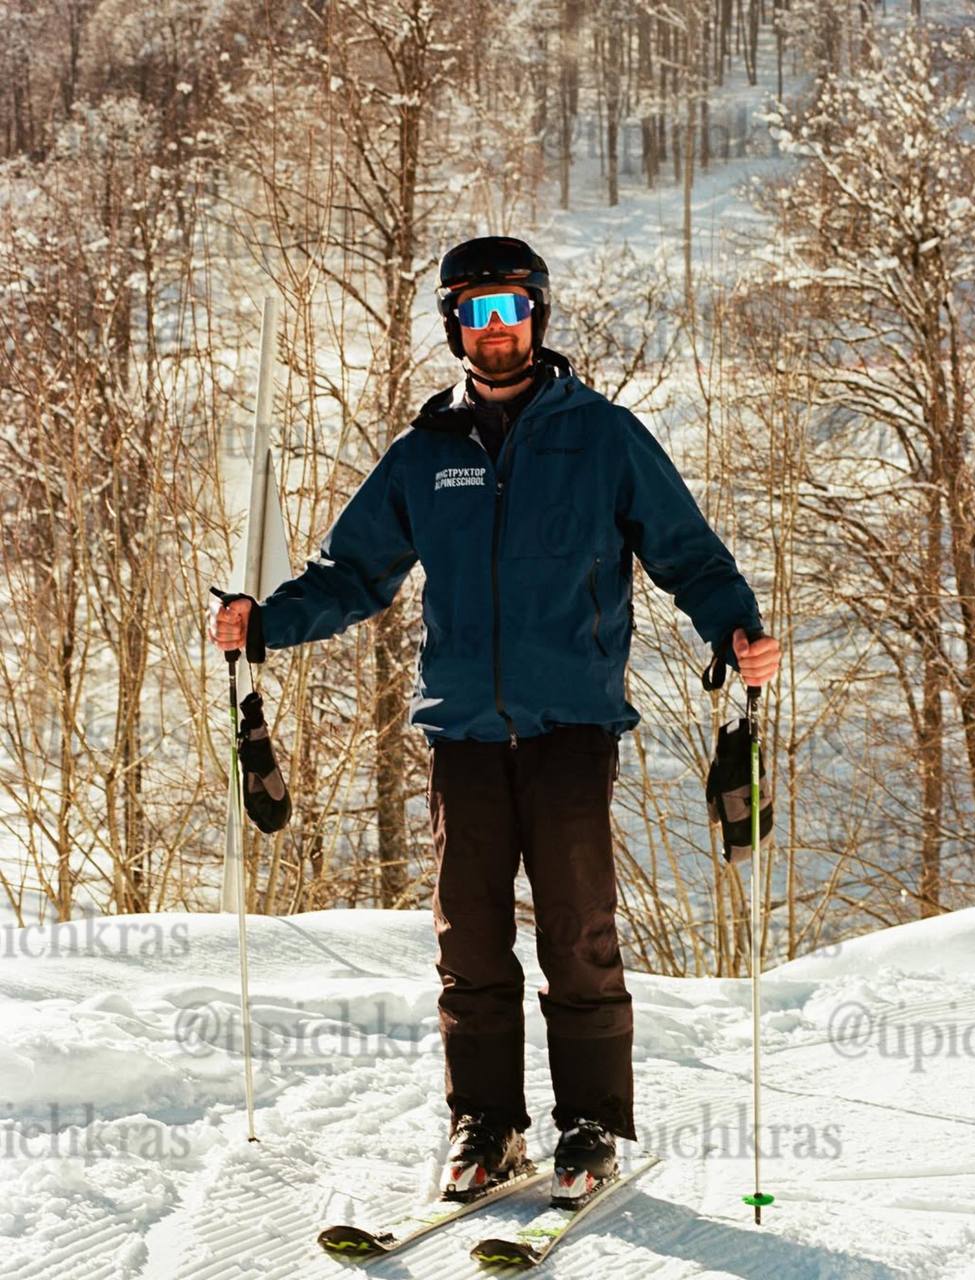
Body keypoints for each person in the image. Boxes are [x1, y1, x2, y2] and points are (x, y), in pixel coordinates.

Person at [209, 235, 781, 1204]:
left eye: (510, 308)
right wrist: (264, 621)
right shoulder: (425, 455)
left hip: (569, 727)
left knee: (577, 930)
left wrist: (737, 627)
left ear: (537, 314)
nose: (496, 328)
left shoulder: (600, 437)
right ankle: (486, 1124)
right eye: (476, 313)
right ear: (454, 328)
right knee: (467, 939)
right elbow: (354, 573)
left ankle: (589, 1123)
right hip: (463, 732)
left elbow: (684, 549)